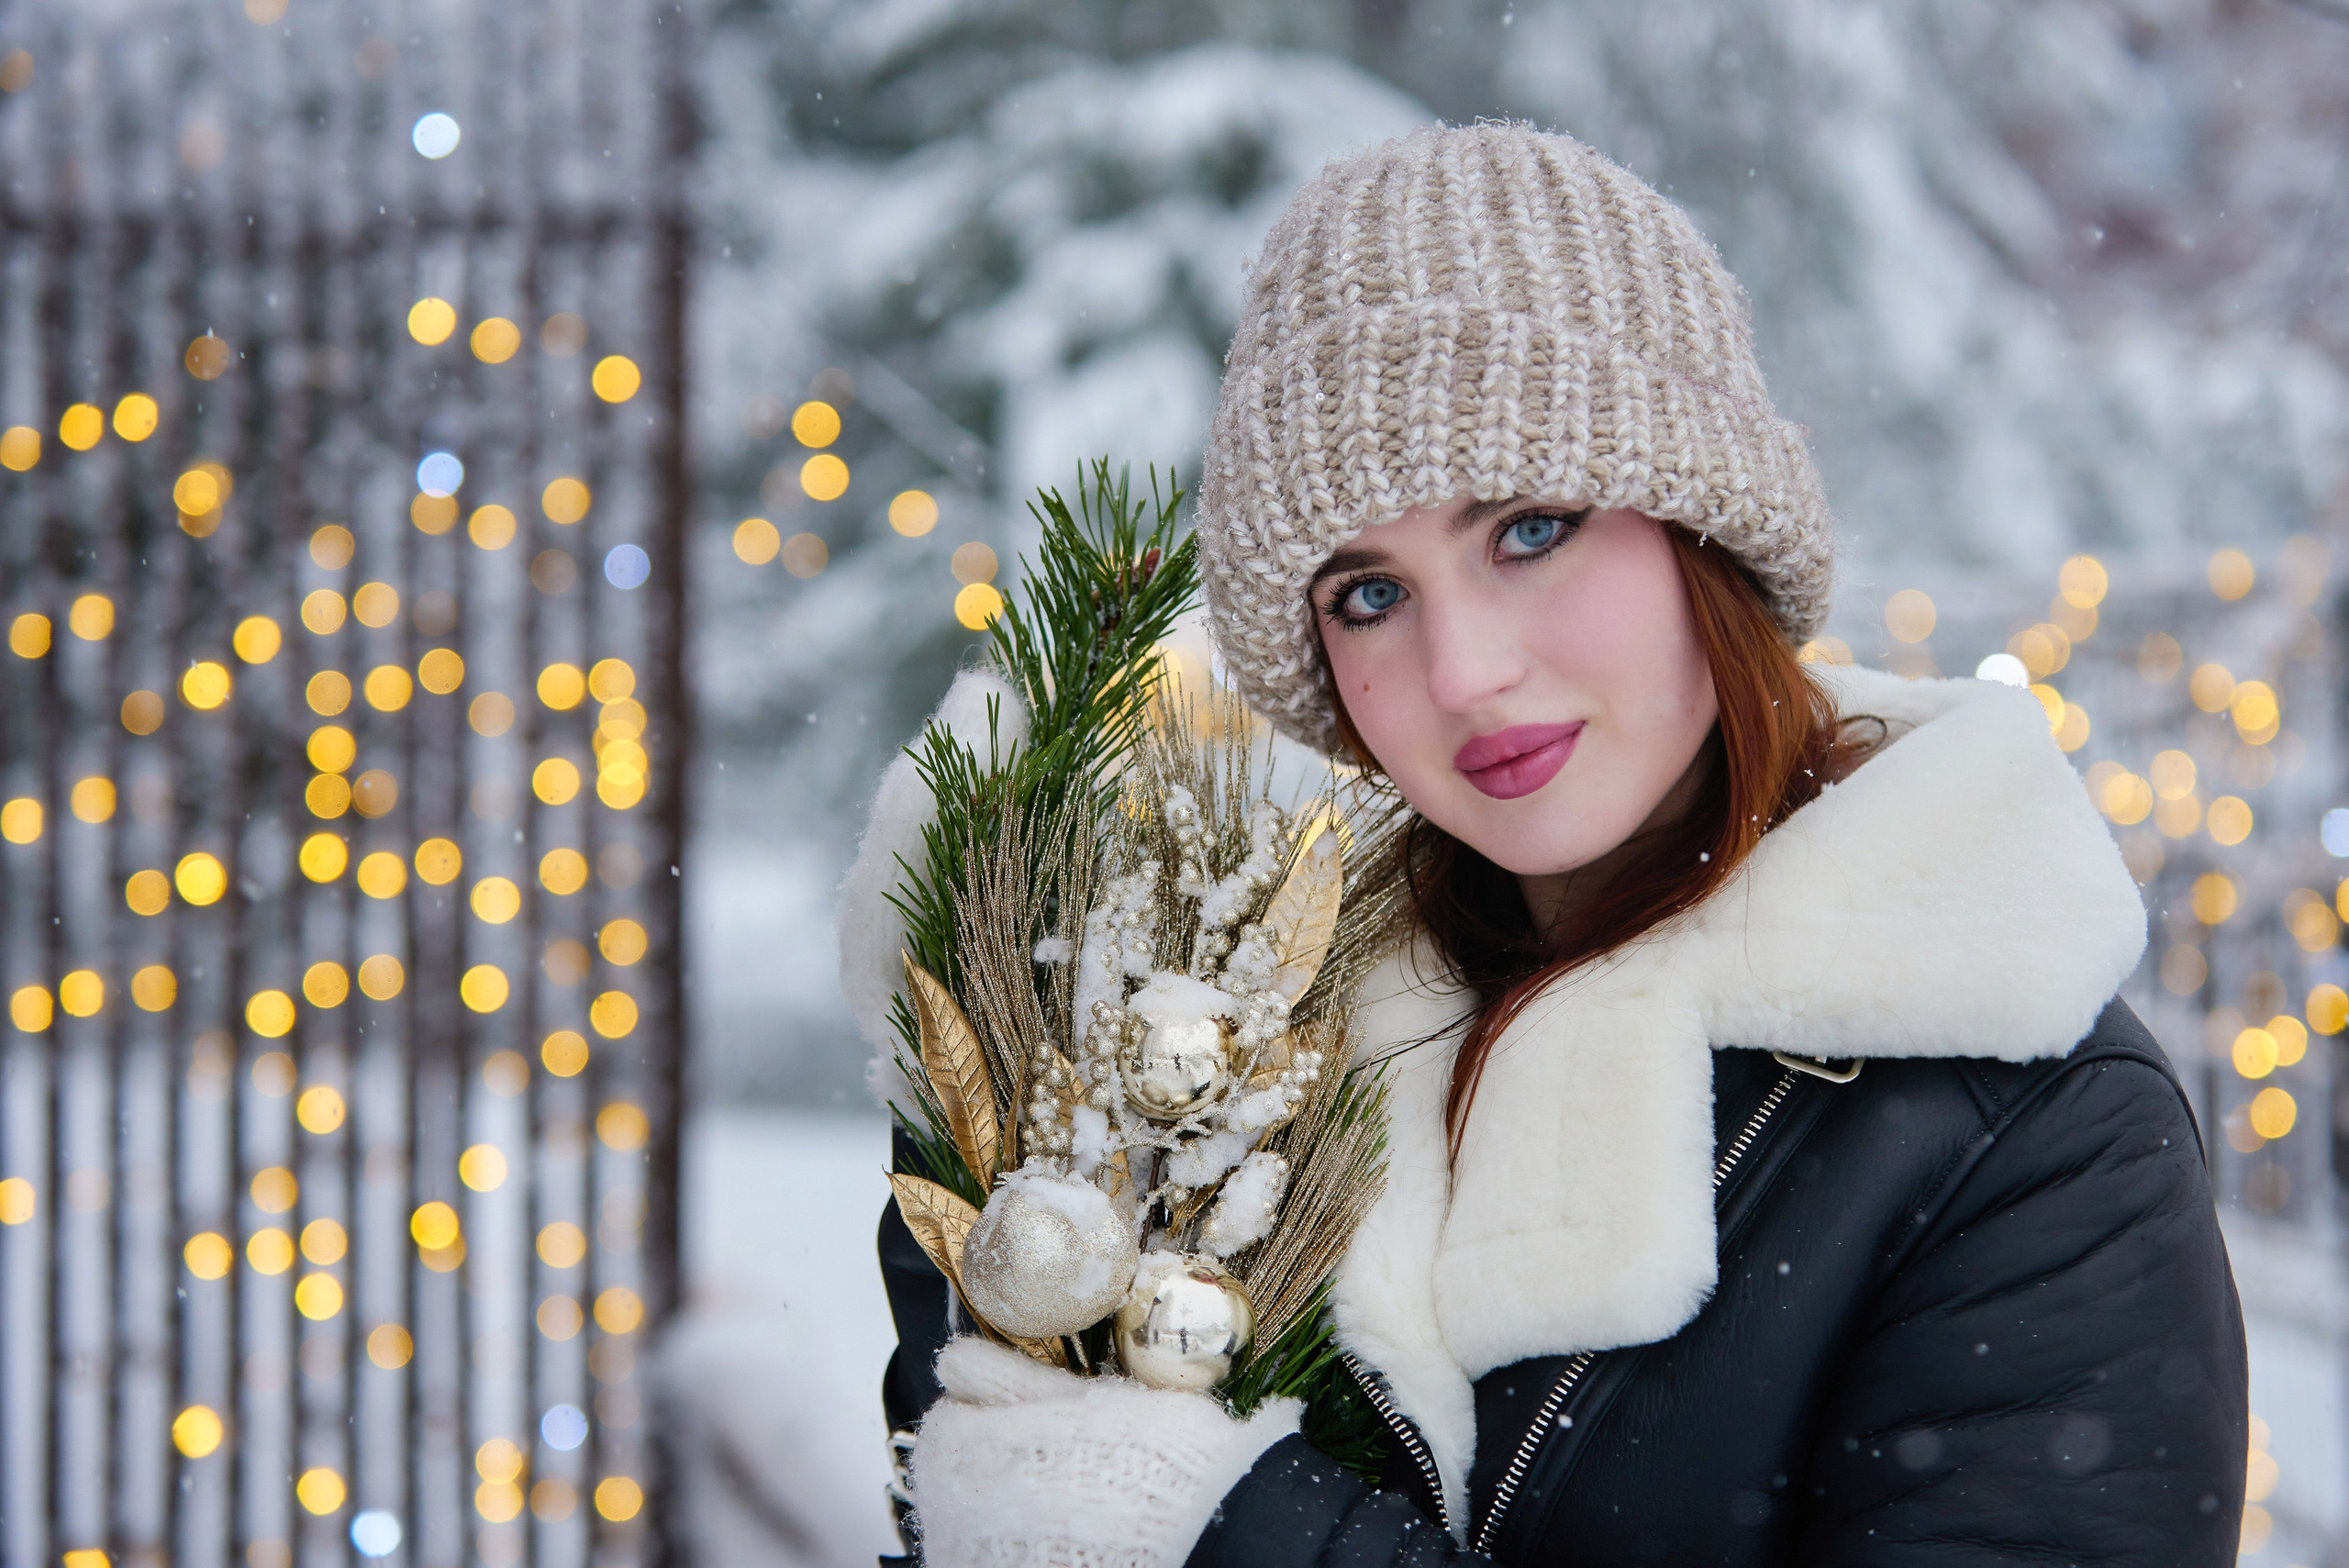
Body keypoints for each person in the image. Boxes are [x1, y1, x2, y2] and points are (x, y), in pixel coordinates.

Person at [852, 122, 2247, 1566]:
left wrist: (1238, 1532)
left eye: (1530, 528)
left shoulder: (2034, 1136)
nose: (1463, 671)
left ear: (1704, 532)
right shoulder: (1240, 1054)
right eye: (1370, 595)